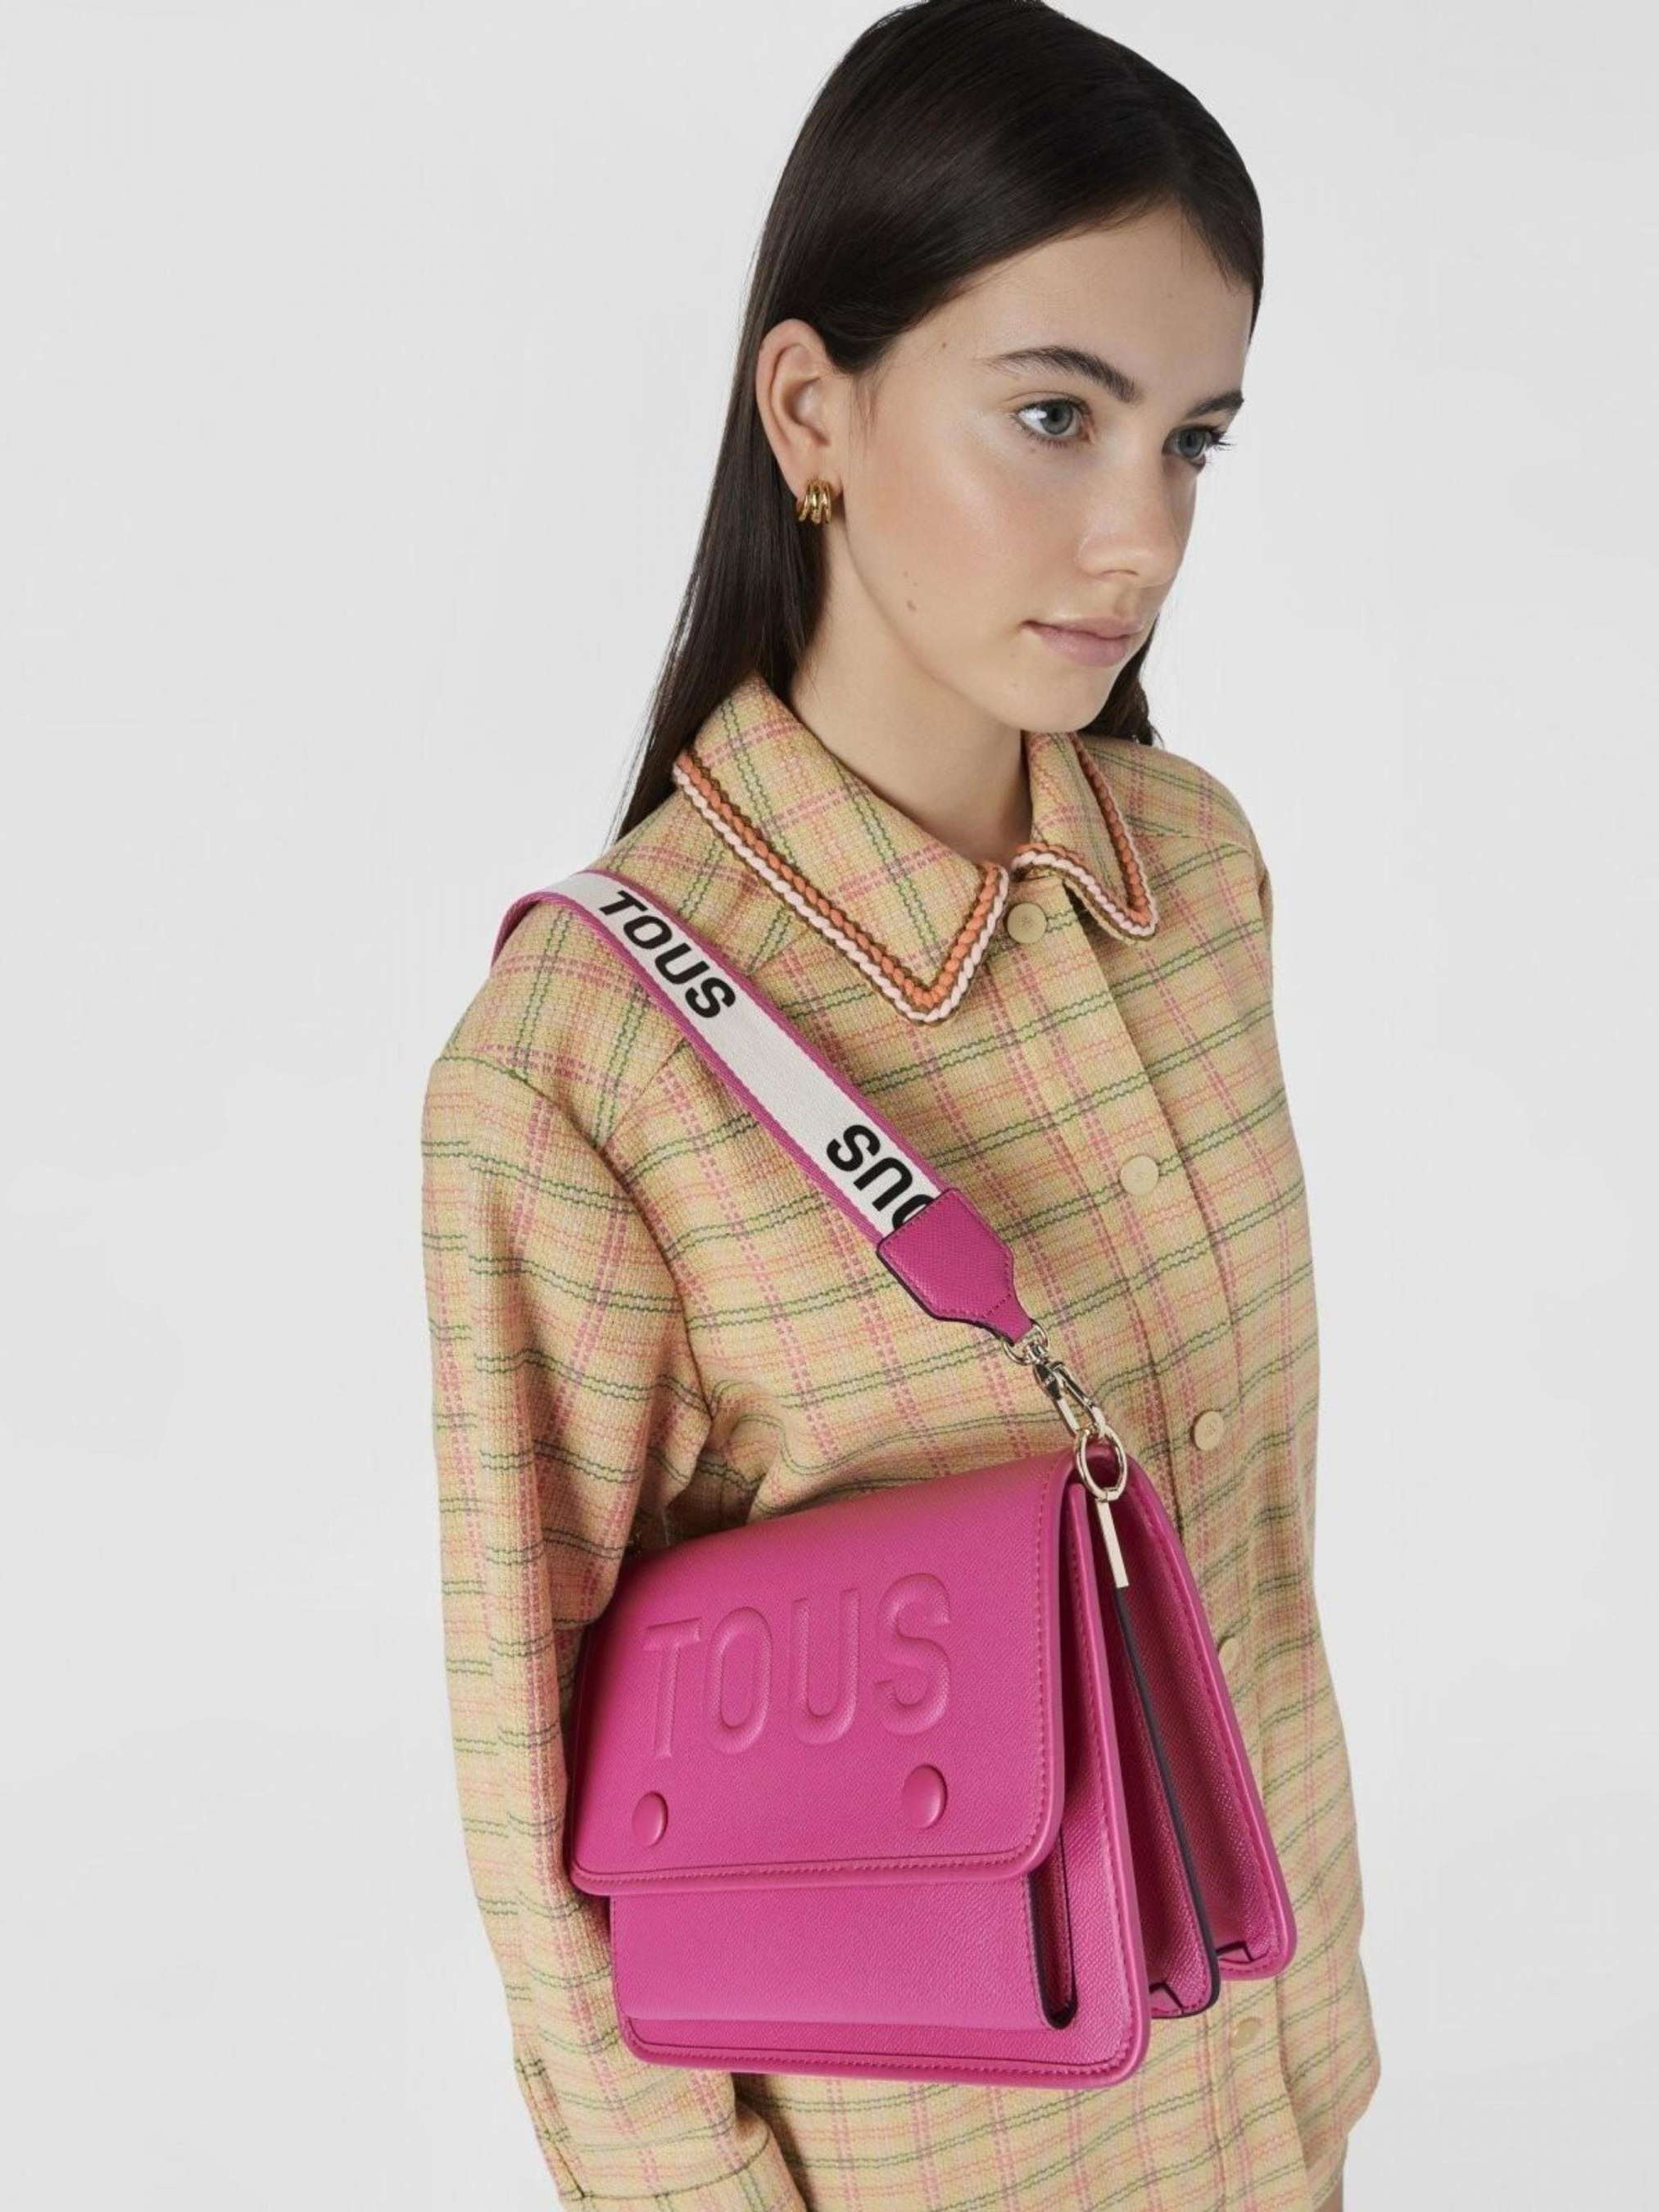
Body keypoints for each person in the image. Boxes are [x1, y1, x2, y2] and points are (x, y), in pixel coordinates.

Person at [419, 2, 1382, 2204]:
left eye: (1193, 442)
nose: (1139, 534)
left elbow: (1248, 1561)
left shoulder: (1194, 880)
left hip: (1283, 2084)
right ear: (812, 414)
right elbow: (533, 1800)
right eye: (1054, 416)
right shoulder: (578, 1071)